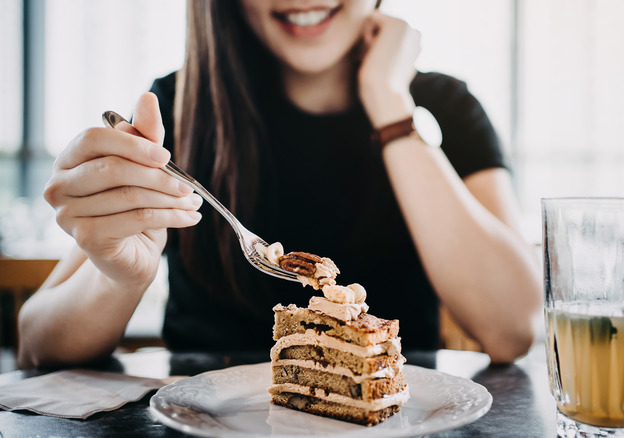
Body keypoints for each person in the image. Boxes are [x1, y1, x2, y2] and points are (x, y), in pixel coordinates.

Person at [17, 0, 542, 368]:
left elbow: (512, 328)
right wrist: (118, 278)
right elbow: (36, 342)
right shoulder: (180, 107)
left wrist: (388, 103)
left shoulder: (446, 108)